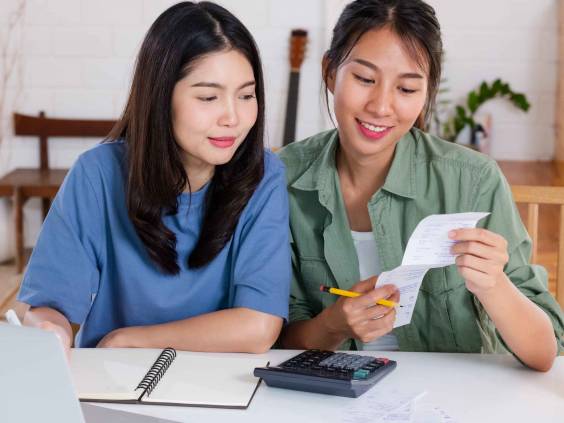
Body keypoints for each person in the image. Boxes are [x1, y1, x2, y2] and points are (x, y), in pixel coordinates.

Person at [277, 0, 563, 371]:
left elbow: (547, 353)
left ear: (427, 93)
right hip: (330, 397)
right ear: (330, 72)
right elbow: (273, 338)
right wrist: (332, 325)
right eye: (365, 79)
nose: (381, 106)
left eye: (407, 89)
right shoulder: (281, 178)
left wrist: (494, 285)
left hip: (450, 399)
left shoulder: (473, 180)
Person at [18, 1, 290, 354]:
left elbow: (258, 326)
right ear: (161, 96)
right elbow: (49, 307)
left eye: (247, 95)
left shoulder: (264, 177)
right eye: (209, 97)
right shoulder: (97, 174)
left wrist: (129, 339)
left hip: (221, 389)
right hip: (113, 383)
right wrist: (49, 330)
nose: (233, 117)